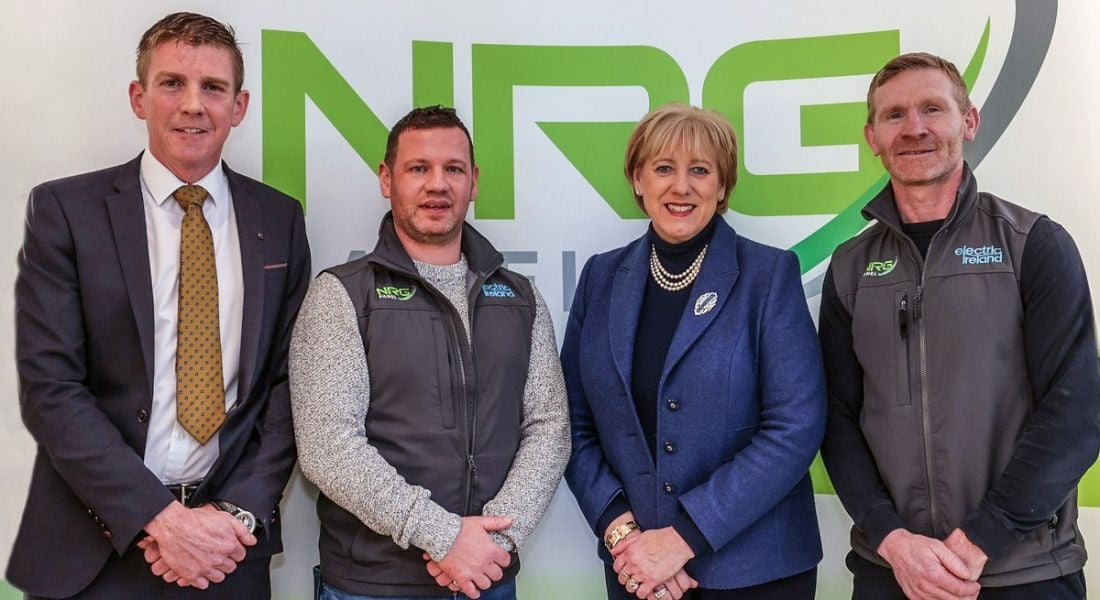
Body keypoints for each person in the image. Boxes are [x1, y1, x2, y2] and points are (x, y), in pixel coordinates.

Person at [9, 11, 311, 600]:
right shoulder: (66, 212)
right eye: (172, 83)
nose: (193, 105)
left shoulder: (280, 220)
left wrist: (239, 516)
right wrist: (161, 519)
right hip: (94, 547)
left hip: (229, 552)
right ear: (138, 97)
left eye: (214, 88)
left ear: (240, 106)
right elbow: (51, 388)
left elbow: (286, 388)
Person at [819, 52, 1100, 600]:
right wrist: (894, 540)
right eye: (894, 115)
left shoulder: (1033, 245)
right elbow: (836, 417)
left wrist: (976, 542)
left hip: (1023, 574)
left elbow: (1076, 413)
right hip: (890, 572)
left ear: (968, 121)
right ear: (872, 137)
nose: (914, 128)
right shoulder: (850, 268)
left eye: (932, 109)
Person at [289, 105, 569, 600]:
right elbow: (327, 447)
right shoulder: (343, 294)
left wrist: (491, 544)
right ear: (386, 178)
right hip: (372, 586)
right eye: (419, 168)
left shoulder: (522, 298)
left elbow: (548, 429)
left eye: (453, 169)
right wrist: (444, 538)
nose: (437, 184)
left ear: (474, 181)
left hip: (488, 580)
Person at [563, 103, 827, 600]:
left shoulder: (768, 277)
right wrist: (624, 537)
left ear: (722, 186)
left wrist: (683, 539)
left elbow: (796, 425)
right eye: (663, 168)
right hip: (638, 574)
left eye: (700, 170)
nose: (680, 187)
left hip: (758, 574)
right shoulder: (601, 279)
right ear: (637, 180)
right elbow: (573, 424)